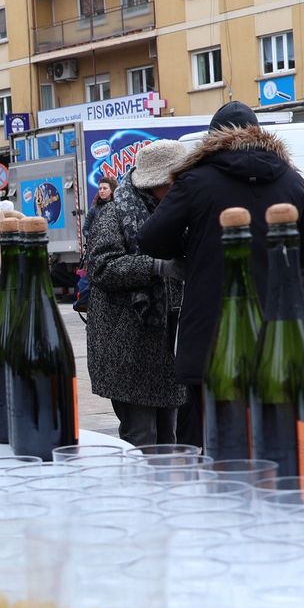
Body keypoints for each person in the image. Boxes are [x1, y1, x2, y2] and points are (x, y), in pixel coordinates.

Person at [139, 101, 304, 447]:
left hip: (210, 335)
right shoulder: (293, 182)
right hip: (277, 333)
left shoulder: (196, 181)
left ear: (212, 139)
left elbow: (150, 238)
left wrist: (193, 245)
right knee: (275, 442)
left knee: (203, 445)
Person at [84, 140, 190, 447]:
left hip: (167, 342)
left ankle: (165, 492)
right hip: (128, 344)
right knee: (141, 437)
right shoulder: (115, 213)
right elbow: (101, 268)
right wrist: (156, 267)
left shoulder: (175, 210)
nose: (177, 188)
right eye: (173, 182)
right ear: (154, 183)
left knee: (168, 438)